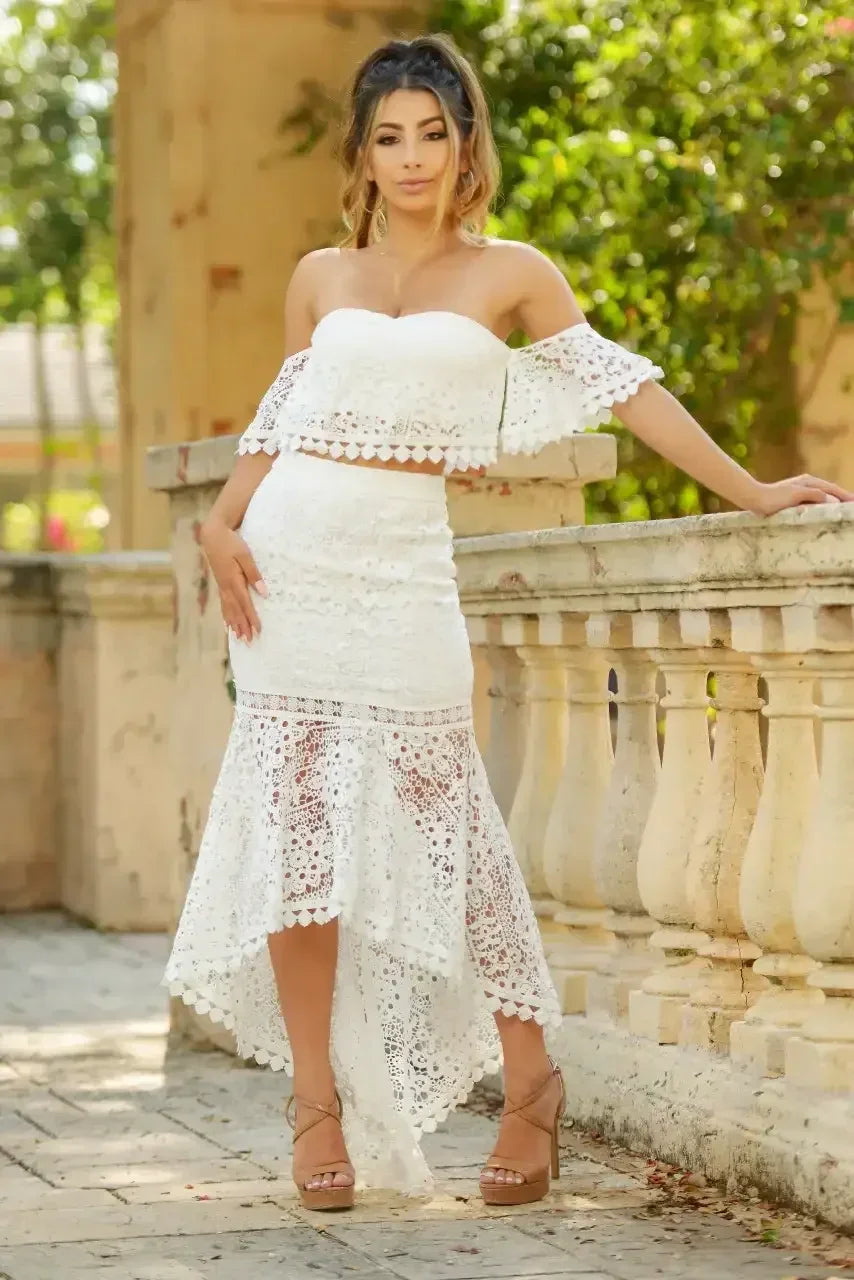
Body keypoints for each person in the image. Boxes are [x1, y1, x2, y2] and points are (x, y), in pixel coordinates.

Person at [161, 33, 852, 1213]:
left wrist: (749, 489)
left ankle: (531, 1079)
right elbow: (287, 412)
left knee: (455, 836)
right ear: (363, 153)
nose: (412, 157)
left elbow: (622, 389)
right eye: (389, 136)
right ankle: (315, 1105)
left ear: (466, 140)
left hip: (400, 577)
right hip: (287, 576)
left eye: (434, 131)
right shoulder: (318, 274)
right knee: (298, 847)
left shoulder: (511, 271)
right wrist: (221, 524)